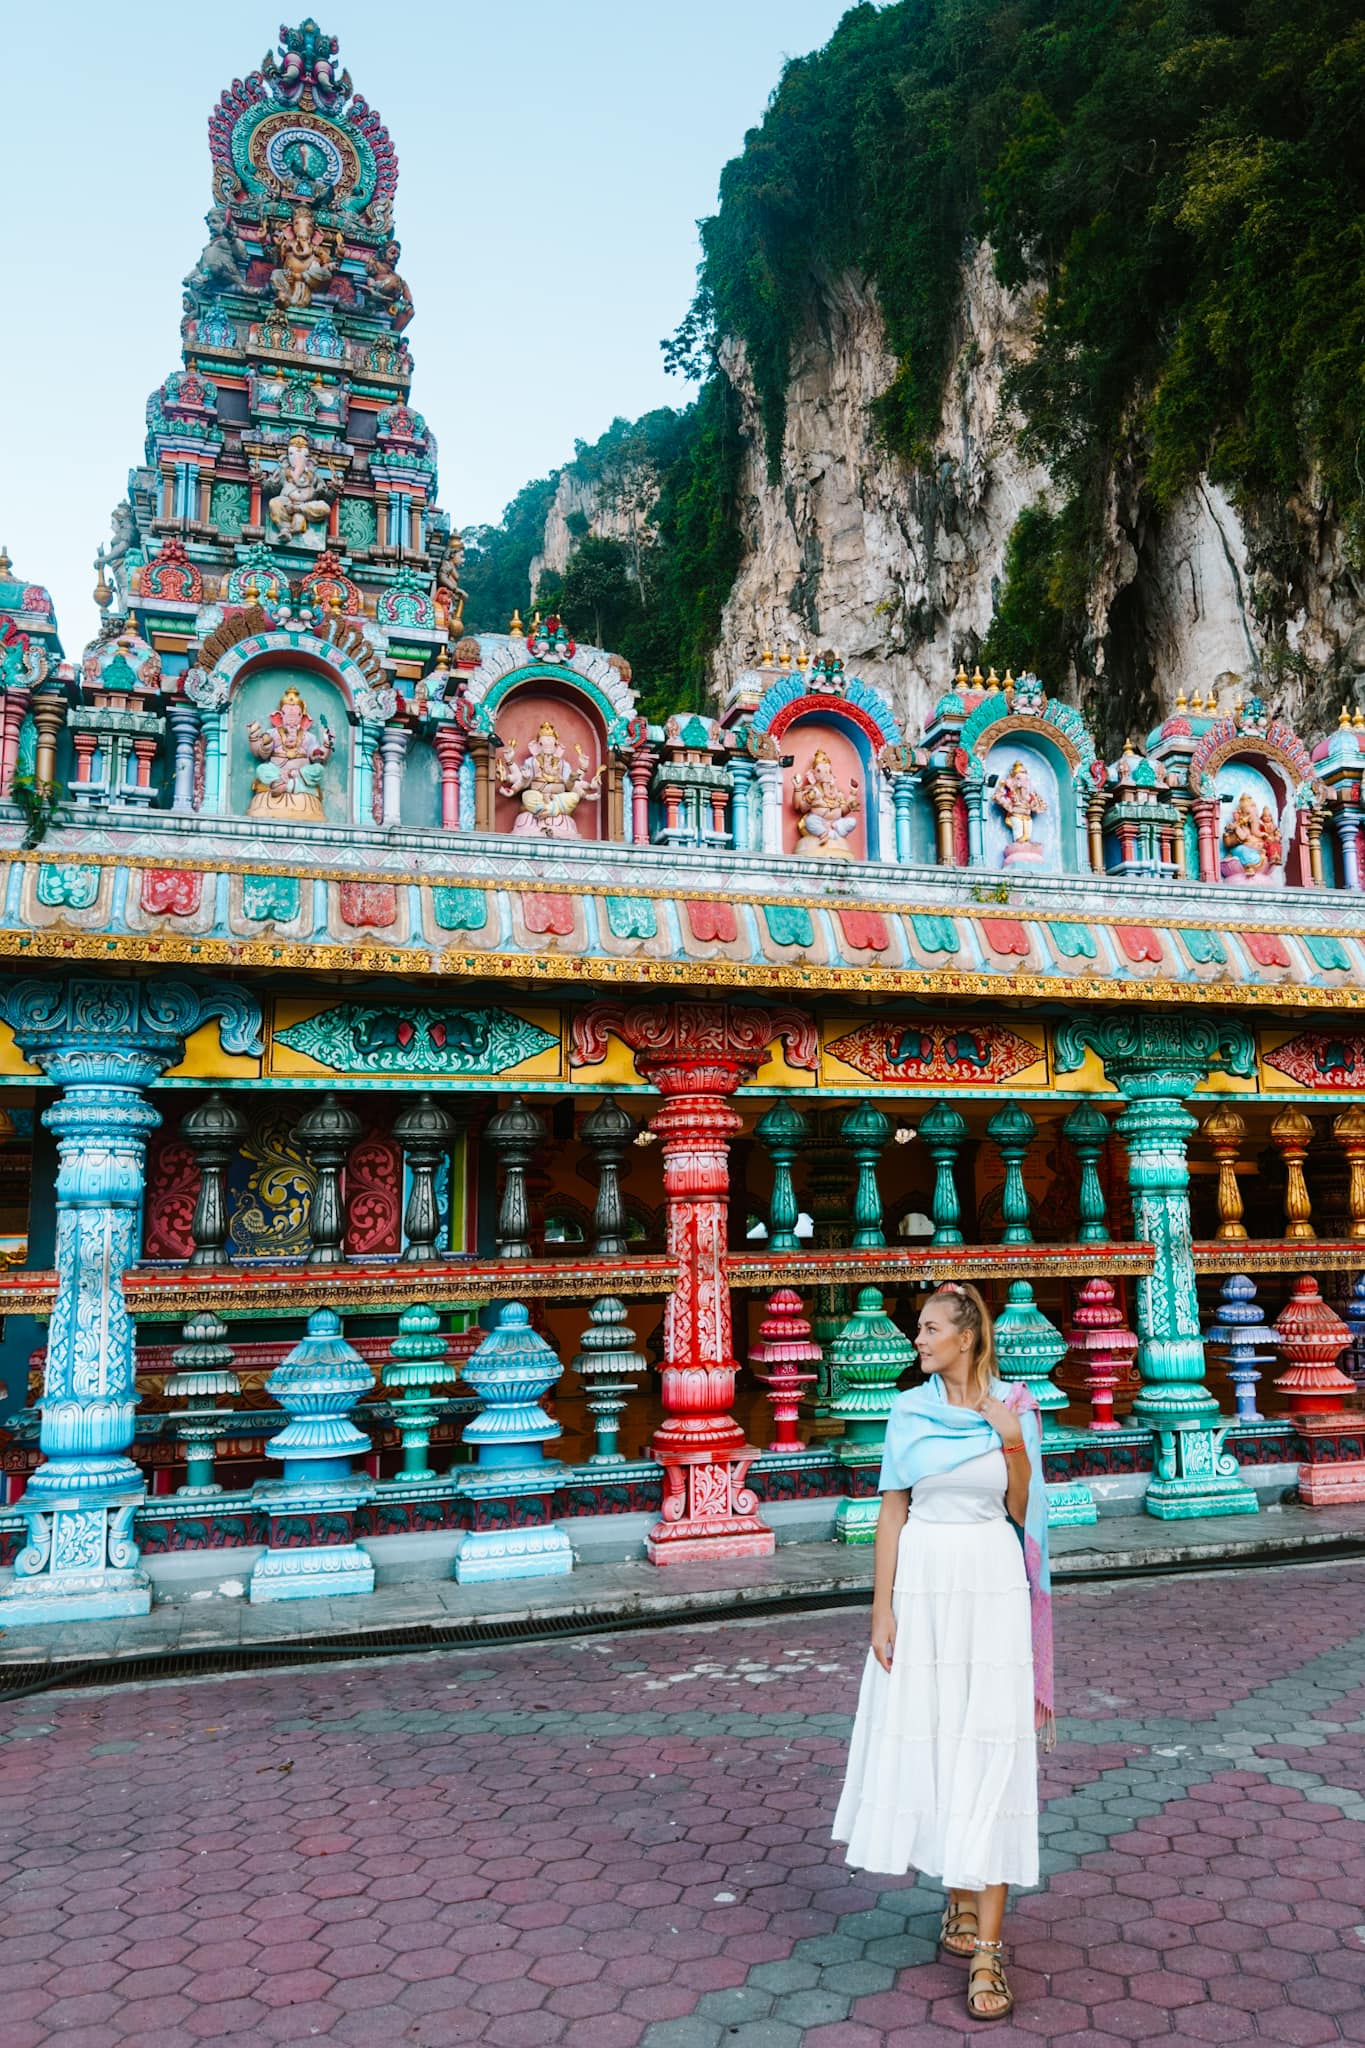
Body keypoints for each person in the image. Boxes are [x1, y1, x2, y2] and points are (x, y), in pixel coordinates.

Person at [831, 1281, 1053, 2023]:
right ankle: (956, 1892)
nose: (916, 1341)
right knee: (935, 1735)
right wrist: (880, 1609)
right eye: (916, 1330)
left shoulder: (1014, 1408)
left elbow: (1022, 1515)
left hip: (990, 1583)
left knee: (989, 1738)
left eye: (927, 1329)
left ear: (966, 1336)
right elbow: (891, 1510)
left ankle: (988, 1947)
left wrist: (1009, 1439)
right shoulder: (907, 1410)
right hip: (923, 1582)